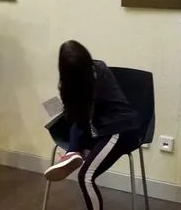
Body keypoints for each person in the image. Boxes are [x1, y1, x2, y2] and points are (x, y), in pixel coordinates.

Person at [42, 40, 143, 210]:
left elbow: (82, 113)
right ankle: (74, 152)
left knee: (85, 177)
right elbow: (78, 113)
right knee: (69, 117)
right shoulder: (80, 77)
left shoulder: (97, 75)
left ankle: (73, 152)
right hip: (97, 127)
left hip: (120, 129)